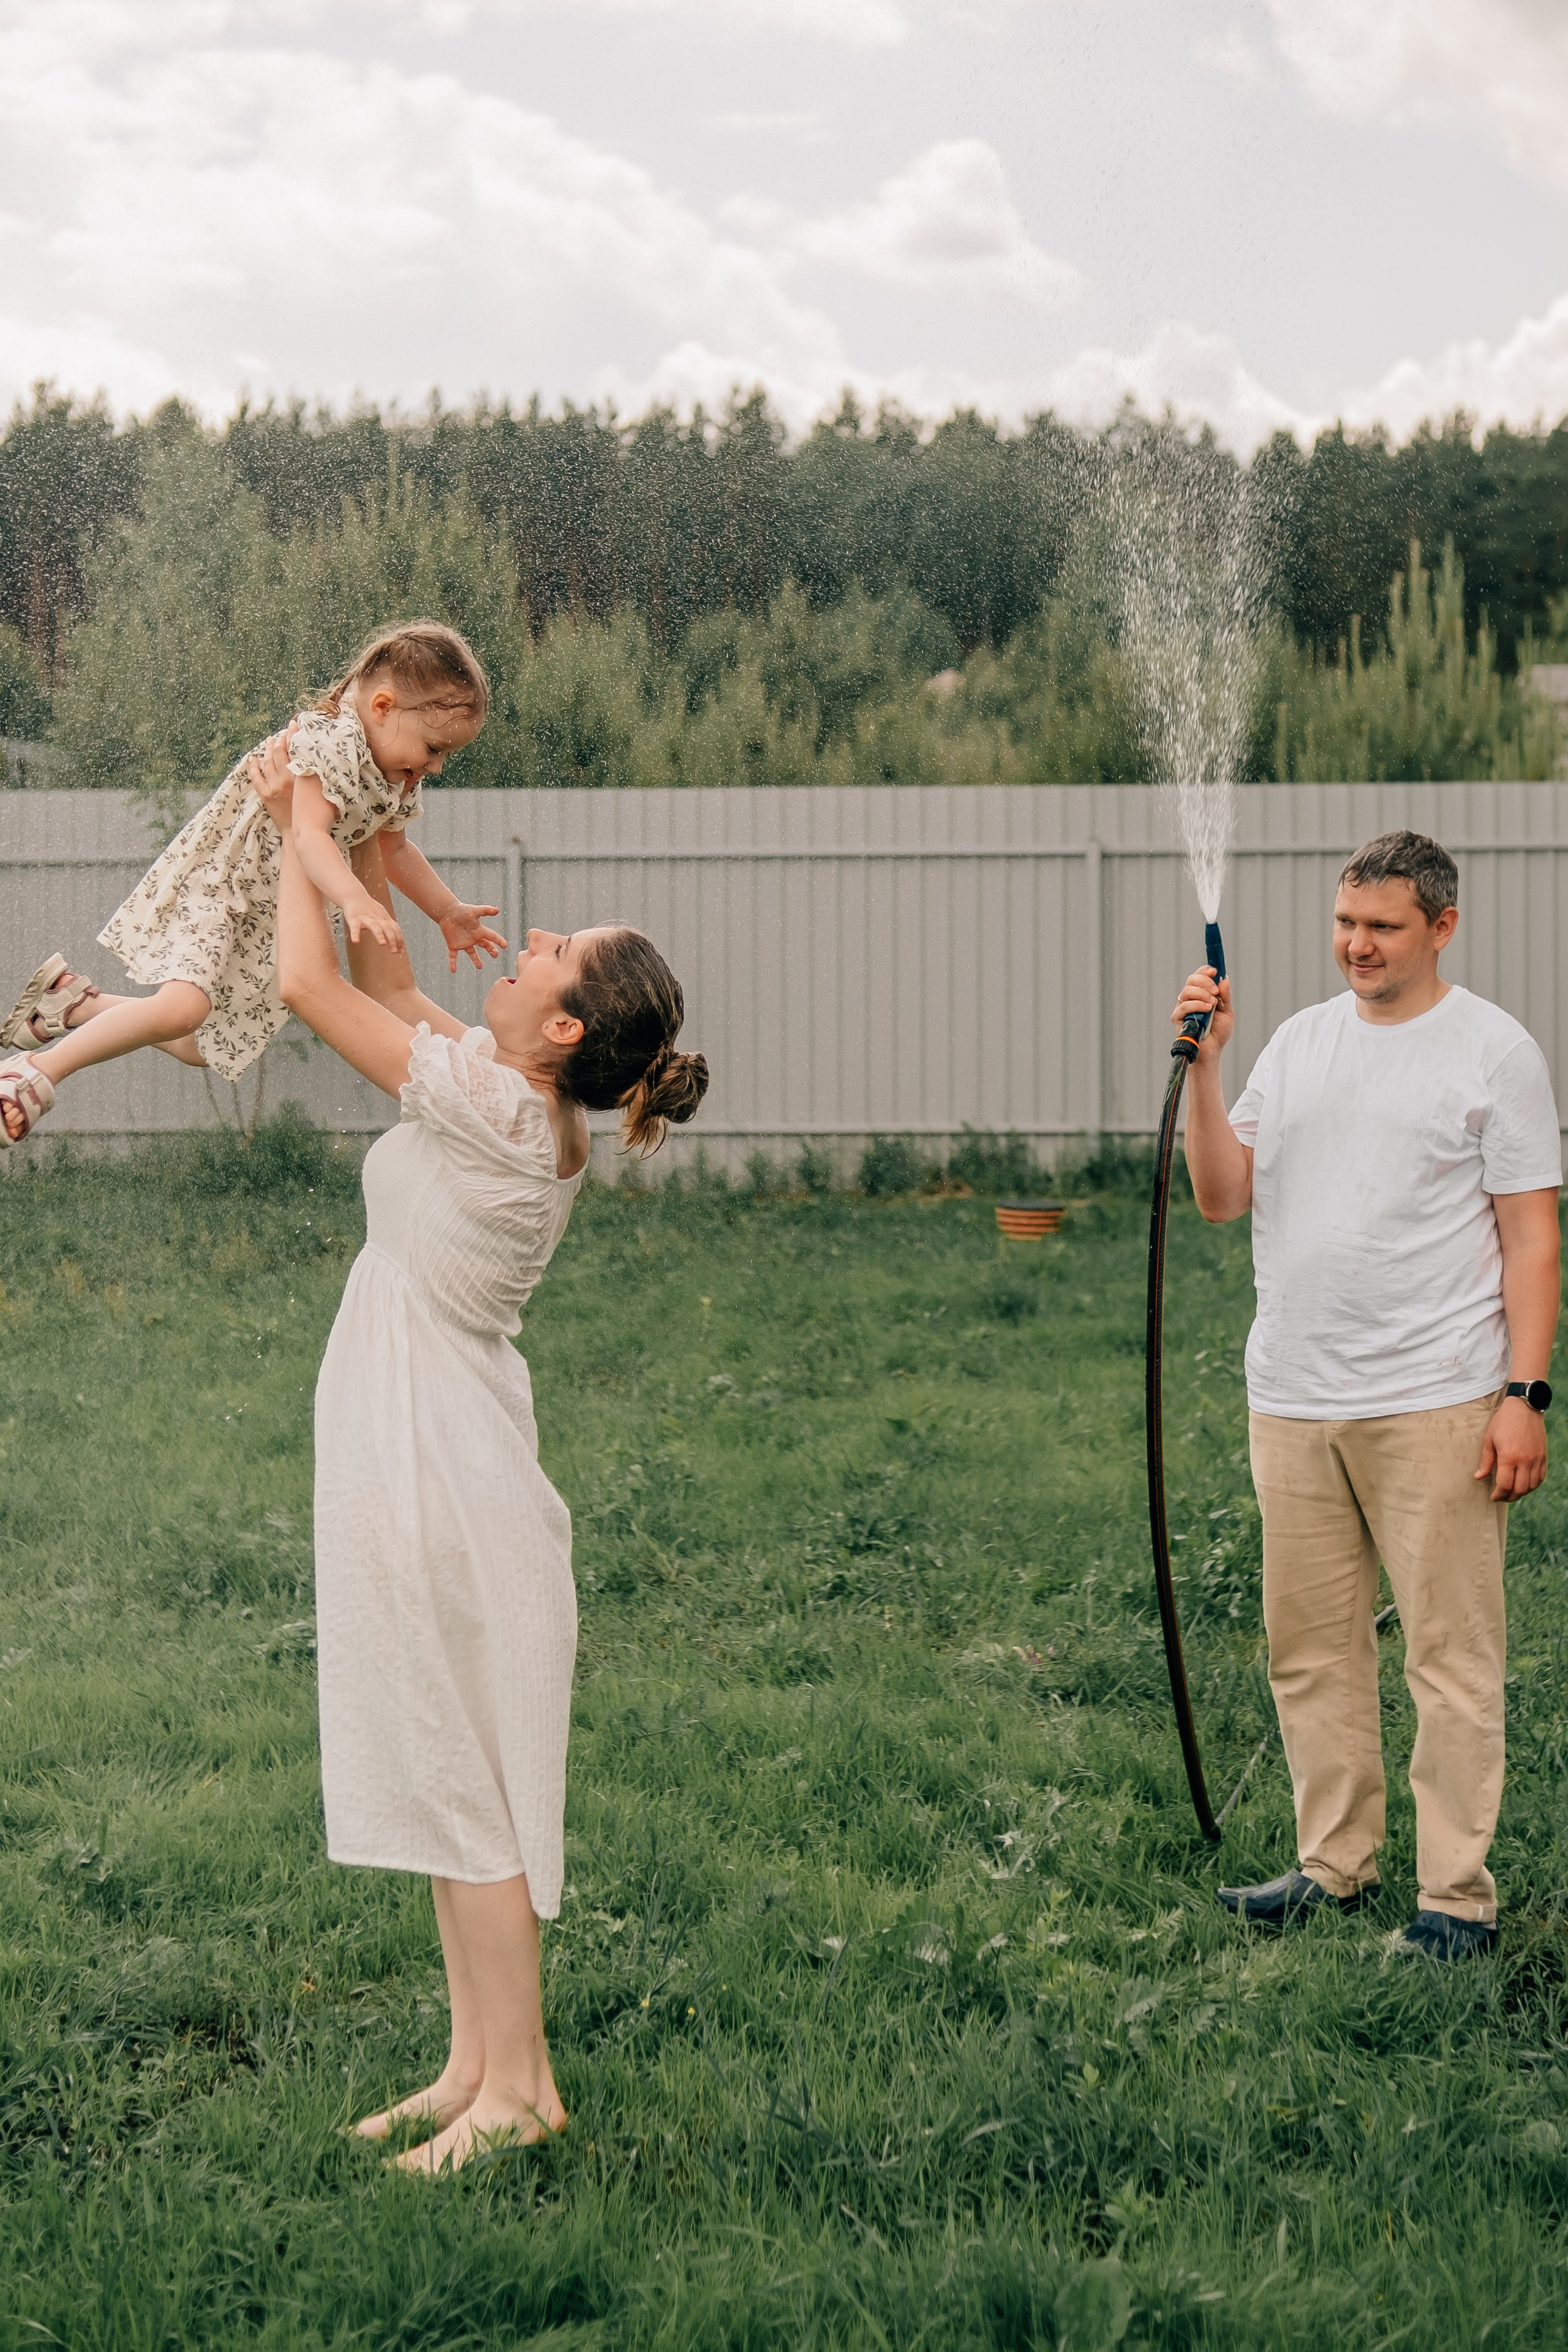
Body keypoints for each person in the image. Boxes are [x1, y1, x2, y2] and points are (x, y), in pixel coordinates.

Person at [252, 741, 708, 2169]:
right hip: (424, 1443)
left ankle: (524, 2092)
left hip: (440, 1466)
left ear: (564, 1029)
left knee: (470, 1782)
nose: (529, 942)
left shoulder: (508, 1111)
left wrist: (292, 827)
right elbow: (393, 986)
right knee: (447, 1766)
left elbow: (312, 989)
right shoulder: (502, 1088)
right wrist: (377, 839)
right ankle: (470, 2064)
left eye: (554, 952)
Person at [1175, 828, 1561, 1961]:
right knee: (1311, 1647)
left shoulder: (1493, 1052)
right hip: (1293, 1398)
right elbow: (1218, 1195)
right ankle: (1333, 1867)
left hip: (1436, 1400)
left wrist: (1524, 1394)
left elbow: (1533, 1240)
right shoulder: (1295, 1045)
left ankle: (1455, 1903)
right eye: (1346, 923)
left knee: (1449, 1655)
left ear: (1442, 927)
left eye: (1383, 927)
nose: (1358, 945)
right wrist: (1205, 1064)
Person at [0, 621, 507, 1147]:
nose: (436, 766)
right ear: (382, 707)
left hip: (270, 916)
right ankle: (35, 1072)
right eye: (433, 747)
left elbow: (393, 847)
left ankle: (72, 1004)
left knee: (203, 1044)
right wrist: (354, 898)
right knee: (184, 1010)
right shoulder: (330, 742)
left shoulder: (393, 776)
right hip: (227, 885)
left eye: (446, 755)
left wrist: (446, 911)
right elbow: (306, 835)